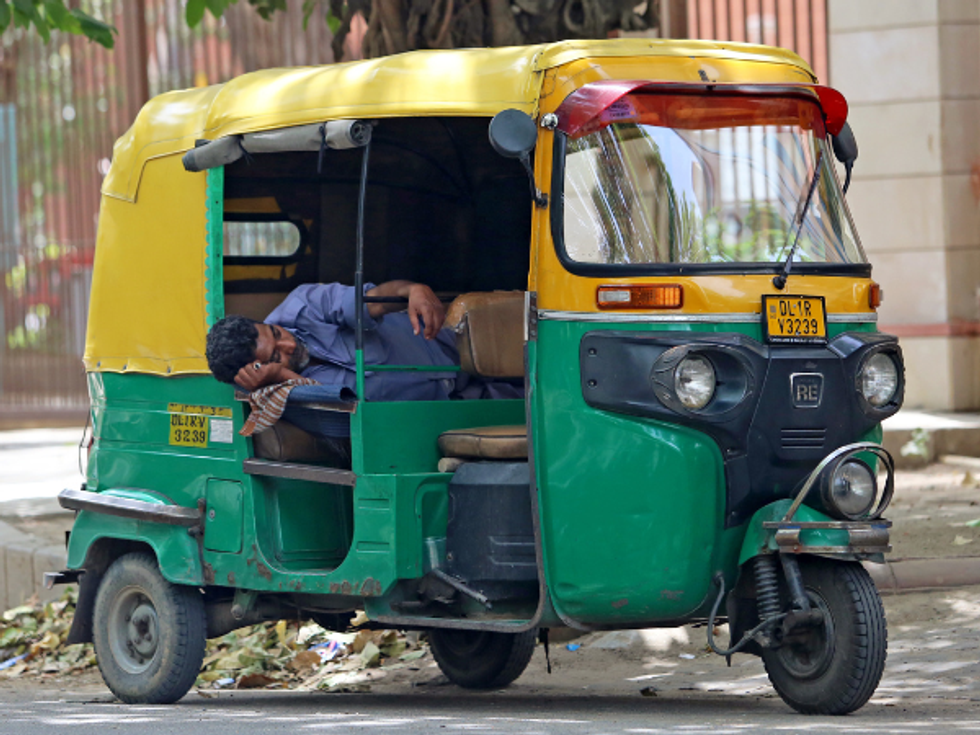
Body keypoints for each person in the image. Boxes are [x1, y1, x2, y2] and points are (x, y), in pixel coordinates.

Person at [206, 280, 521, 440]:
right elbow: (344, 419)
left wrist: (412, 290)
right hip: (450, 411)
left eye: (275, 332)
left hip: (452, 344)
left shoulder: (302, 305)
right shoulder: (276, 397)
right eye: (276, 355)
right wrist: (282, 379)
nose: (289, 343)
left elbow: (371, 302)